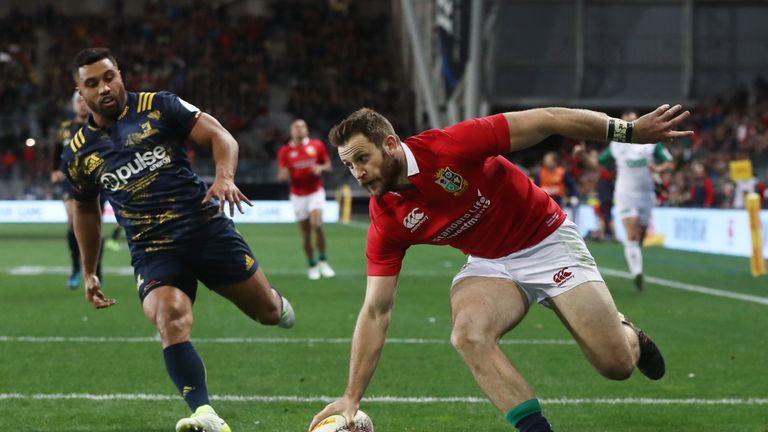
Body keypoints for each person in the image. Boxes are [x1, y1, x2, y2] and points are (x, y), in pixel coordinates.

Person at [309, 105, 691, 432]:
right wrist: (351, 396)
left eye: (362, 159)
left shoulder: (450, 145)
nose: (356, 173)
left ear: (390, 144)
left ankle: (629, 335)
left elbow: (548, 119)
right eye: (348, 165)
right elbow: (377, 310)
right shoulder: (386, 220)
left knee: (616, 366)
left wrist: (628, 131)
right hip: (489, 264)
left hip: (548, 242)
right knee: (468, 333)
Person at [62, 48, 295, 432]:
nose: (104, 88)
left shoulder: (160, 106)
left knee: (267, 314)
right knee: (168, 318)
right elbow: (85, 211)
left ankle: (275, 302)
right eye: (92, 84)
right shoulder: (77, 154)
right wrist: (90, 271)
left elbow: (221, 136)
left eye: (109, 77)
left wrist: (224, 177)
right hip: (152, 249)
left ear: (120, 74)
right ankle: (205, 414)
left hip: (205, 229)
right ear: (79, 92)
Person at [577, 110, 674, 290]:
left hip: (646, 195)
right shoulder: (616, 145)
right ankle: (637, 272)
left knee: (640, 237)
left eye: (633, 120)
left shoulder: (651, 144)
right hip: (625, 195)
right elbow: (597, 166)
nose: (630, 122)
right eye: (626, 120)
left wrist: (659, 168)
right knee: (631, 234)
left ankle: (632, 253)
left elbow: (669, 162)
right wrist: (582, 156)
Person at [277, 119, 336, 280]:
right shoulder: (285, 151)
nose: (299, 130)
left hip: (315, 192)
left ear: (307, 130)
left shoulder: (316, 145)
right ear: (291, 131)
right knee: (305, 233)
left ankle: (323, 261)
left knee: (317, 224)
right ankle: (312, 265)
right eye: (296, 127)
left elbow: (328, 165)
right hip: (297, 195)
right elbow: (281, 174)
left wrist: (320, 168)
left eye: (302, 127)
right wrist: (283, 175)